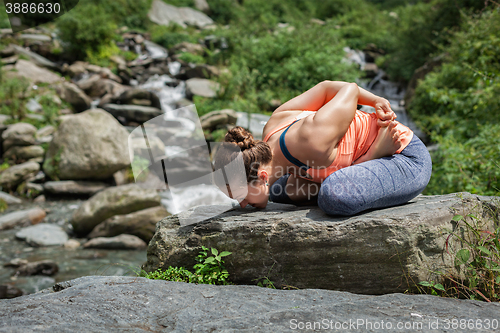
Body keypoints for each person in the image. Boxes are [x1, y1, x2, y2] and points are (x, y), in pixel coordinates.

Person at [213, 80, 432, 216]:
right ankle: (326, 179)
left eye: (241, 196)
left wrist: (375, 106)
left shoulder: (312, 139)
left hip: (400, 155)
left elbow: (349, 90)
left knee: (334, 196)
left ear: (261, 176)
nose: (242, 205)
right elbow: (326, 88)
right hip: (344, 159)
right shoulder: (271, 129)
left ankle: (348, 170)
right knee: (280, 192)